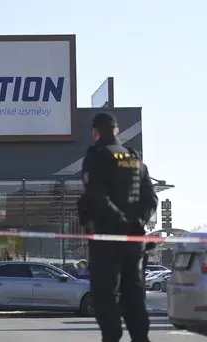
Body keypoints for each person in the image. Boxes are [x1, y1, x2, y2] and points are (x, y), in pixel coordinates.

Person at [78, 112, 158, 342]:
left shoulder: (98, 156)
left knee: (105, 294)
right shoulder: (133, 157)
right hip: (134, 243)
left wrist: (121, 223)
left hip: (107, 240)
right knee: (133, 294)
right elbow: (151, 198)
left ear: (96, 132)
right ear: (116, 131)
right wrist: (138, 224)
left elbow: (96, 196)